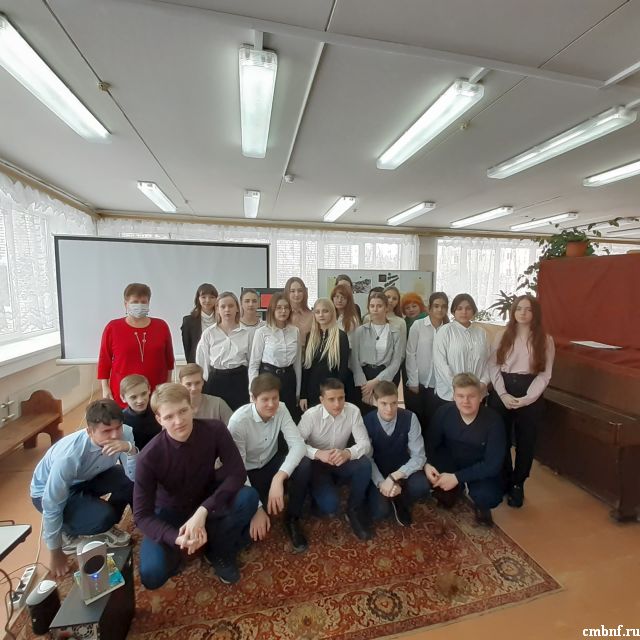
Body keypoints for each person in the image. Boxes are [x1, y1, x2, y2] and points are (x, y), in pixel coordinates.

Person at [134, 383, 259, 587]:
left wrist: (203, 510)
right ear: (159, 419)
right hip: (170, 512)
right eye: (169, 417)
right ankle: (188, 546)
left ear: (192, 407)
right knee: (152, 575)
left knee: (249, 496)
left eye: (183, 411)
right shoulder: (147, 457)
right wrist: (176, 538)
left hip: (206, 499)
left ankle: (218, 550)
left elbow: (237, 472)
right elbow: (141, 516)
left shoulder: (215, 429)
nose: (178, 421)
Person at [30, 399, 136, 577]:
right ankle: (67, 530)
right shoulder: (69, 456)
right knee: (104, 516)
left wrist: (130, 450)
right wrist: (55, 552)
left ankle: (98, 522)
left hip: (85, 479)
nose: (115, 435)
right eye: (106, 431)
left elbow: (134, 477)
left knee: (126, 481)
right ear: (89, 431)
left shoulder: (125, 433)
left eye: (118, 427)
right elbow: (52, 503)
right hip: (46, 494)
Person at [228, 374, 309, 552]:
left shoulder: (282, 408)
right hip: (247, 474)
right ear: (253, 398)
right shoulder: (238, 422)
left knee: (304, 464)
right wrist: (257, 508)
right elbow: (236, 469)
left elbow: (298, 445)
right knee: (251, 535)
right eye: (265, 399)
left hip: (271, 465)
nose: (271, 404)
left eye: (275, 398)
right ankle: (259, 502)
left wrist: (279, 477)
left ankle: (292, 518)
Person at [488, 294, 555, 508]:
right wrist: (503, 394)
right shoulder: (502, 335)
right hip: (503, 387)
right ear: (513, 312)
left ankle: (518, 483)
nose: (523, 313)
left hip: (530, 390)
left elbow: (545, 374)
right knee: (501, 438)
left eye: (528, 309)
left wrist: (527, 399)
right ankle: (505, 479)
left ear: (535, 313)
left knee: (526, 441)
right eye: (519, 309)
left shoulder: (545, 339)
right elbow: (493, 366)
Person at [297, 379, 373, 540]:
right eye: (331, 399)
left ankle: (354, 509)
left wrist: (347, 453)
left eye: (341, 398)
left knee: (364, 464)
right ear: (321, 400)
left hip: (340, 460)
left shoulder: (353, 411)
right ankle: (314, 490)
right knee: (330, 506)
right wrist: (317, 453)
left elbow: (365, 444)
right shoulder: (311, 415)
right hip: (317, 464)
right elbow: (296, 444)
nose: (337, 404)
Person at [425, 373, 505, 526]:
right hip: (450, 463)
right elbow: (430, 444)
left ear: (480, 397)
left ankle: (480, 504)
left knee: (488, 496)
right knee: (434, 486)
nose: (465, 401)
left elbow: (493, 464)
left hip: (479, 467)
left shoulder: (494, 421)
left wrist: (457, 477)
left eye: (471, 396)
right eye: (460, 396)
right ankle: (456, 489)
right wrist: (428, 464)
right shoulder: (443, 412)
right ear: (454, 396)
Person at [98, 282, 175, 407]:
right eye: (135, 302)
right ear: (126, 304)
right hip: (124, 394)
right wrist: (105, 388)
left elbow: (169, 360)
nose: (139, 305)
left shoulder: (161, 326)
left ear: (148, 303)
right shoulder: (113, 327)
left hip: (156, 392)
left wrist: (167, 384)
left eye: (143, 302)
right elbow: (104, 360)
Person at [365, 381, 429, 527]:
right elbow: (368, 459)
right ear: (375, 401)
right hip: (379, 470)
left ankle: (400, 497)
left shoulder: (410, 417)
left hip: (402, 468)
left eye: (394, 403)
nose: (389, 409)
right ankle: (388, 495)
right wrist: (381, 483)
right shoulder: (366, 421)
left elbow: (419, 456)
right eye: (384, 404)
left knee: (422, 486)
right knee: (380, 512)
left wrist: (394, 477)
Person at [195, 291, 252, 411]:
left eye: (231, 306)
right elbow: (202, 361)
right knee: (216, 416)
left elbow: (252, 361)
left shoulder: (247, 333)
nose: (227, 310)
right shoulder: (209, 333)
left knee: (239, 415)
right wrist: (205, 383)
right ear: (217, 309)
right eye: (223, 306)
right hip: (216, 380)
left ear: (237, 308)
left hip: (240, 380)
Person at [248, 293, 302, 419]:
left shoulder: (295, 331)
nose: (283, 311)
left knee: (288, 417)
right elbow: (254, 365)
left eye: (286, 307)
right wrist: (252, 392)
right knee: (269, 417)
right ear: (272, 310)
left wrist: (298, 391)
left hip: (289, 379)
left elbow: (297, 363)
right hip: (268, 377)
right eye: (279, 308)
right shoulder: (262, 332)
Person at [432, 293, 490, 402]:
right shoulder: (445, 331)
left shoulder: (481, 333)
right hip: (451, 394)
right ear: (453, 311)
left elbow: (488, 362)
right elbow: (440, 363)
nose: (464, 312)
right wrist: (457, 388)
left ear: (473, 311)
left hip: (477, 393)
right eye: (459, 308)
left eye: (468, 308)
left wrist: (483, 383)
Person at [405, 292, 450, 431]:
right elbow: (410, 353)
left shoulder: (449, 329)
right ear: (429, 307)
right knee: (417, 421)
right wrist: (413, 380)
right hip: (418, 382)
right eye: (436, 306)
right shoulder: (418, 325)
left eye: (443, 306)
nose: (440, 309)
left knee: (435, 422)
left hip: (439, 384)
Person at [351, 292, 403, 411]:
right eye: (372, 306)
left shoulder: (395, 332)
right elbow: (354, 359)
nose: (375, 309)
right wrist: (365, 386)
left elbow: (396, 362)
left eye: (379, 306)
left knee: (384, 411)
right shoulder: (360, 331)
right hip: (364, 377)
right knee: (364, 412)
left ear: (386, 308)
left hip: (386, 376)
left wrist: (375, 382)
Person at [299, 298, 349, 410]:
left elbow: (343, 370)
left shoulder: (341, 336)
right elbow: (306, 368)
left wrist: (338, 395)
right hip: (312, 391)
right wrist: (303, 395)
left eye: (325, 311)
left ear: (332, 312)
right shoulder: (310, 336)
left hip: (332, 392)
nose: (321, 315)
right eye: (317, 312)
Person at [331, 283, 361, 405]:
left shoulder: (352, 319)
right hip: (331, 362)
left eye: (343, 297)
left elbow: (352, 346)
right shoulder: (331, 316)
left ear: (348, 300)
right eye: (336, 297)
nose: (339, 300)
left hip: (346, 364)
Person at [121, 374, 161, 450]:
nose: (140, 400)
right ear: (123, 398)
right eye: (133, 397)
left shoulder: (159, 411)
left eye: (144, 393)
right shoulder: (121, 420)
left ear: (149, 390)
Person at [181, 283, 218, 364]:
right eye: (203, 297)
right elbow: (187, 348)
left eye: (212, 297)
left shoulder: (222, 319)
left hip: (218, 365)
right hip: (198, 365)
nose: (207, 300)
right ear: (198, 299)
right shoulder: (188, 321)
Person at [284, 277, 313, 343]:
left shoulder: (312, 316)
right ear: (287, 293)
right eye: (292, 291)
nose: (296, 294)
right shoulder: (282, 315)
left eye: (300, 291)